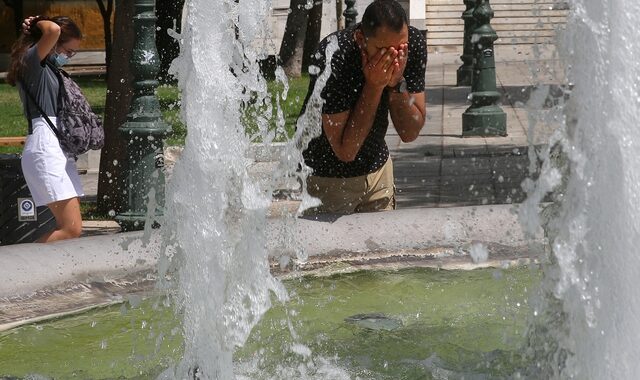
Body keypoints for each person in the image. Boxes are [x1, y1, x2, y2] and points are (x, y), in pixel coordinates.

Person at [301, 0, 427, 214]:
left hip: (378, 173)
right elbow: (346, 151)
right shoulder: (334, 56)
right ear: (361, 39)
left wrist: (396, 84)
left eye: (398, 49)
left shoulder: (411, 44)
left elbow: (410, 132)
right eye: (382, 50)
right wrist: (375, 86)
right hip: (329, 179)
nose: (393, 58)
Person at [6, 15, 84, 242]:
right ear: (51, 44)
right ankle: (19, 267)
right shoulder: (32, 63)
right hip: (45, 146)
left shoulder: (48, 68)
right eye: (67, 52)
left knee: (72, 228)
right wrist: (37, 21)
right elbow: (51, 30)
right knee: (71, 229)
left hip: (57, 147)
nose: (68, 57)